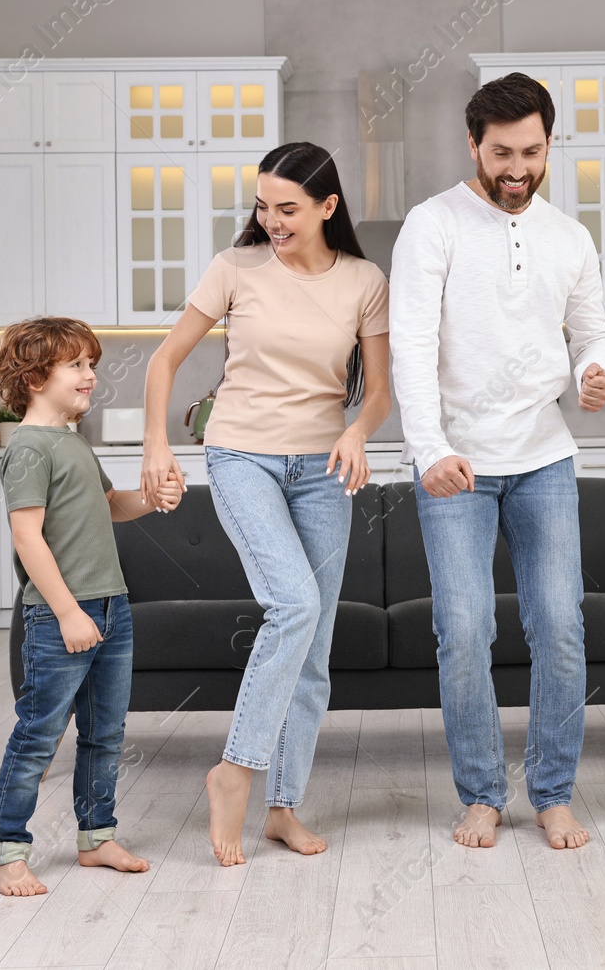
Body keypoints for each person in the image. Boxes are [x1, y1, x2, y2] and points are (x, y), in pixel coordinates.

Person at [140, 141, 391, 867]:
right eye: (263, 206)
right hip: (242, 454)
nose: (272, 221)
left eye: (288, 208)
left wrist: (357, 432)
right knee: (295, 604)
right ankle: (235, 769)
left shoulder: (363, 280)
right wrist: (158, 445)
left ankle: (283, 806)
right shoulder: (236, 267)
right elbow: (164, 359)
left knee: (313, 651)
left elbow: (376, 392)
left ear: (327, 207)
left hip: (323, 467)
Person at [390, 73, 605, 851]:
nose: (516, 168)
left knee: (560, 625)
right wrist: (430, 448)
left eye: (531, 151)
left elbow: (592, 332)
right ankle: (483, 792)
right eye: (501, 153)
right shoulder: (433, 224)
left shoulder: (570, 237)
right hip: (456, 462)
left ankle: (551, 791)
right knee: (465, 625)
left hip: (544, 455)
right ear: (472, 146)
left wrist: (599, 370)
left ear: (550, 144)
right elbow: (412, 347)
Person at [0, 316, 183, 897]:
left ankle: (97, 837)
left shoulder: (72, 441)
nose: (90, 376)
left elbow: (109, 506)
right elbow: (29, 538)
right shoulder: (26, 448)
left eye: (90, 364)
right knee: (39, 734)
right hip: (60, 616)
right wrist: (70, 612)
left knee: (105, 733)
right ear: (32, 377)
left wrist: (152, 499)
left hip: (112, 608)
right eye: (76, 365)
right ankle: (9, 851)